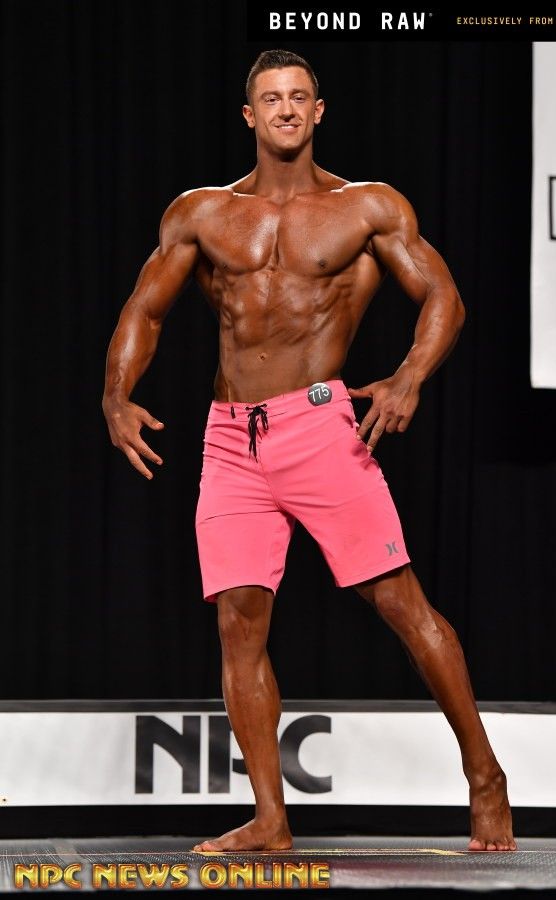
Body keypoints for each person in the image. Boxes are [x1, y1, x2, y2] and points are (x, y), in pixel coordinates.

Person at [102, 49, 517, 853]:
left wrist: (408, 377)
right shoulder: (202, 213)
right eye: (271, 99)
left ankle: (484, 774)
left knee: (399, 603)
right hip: (230, 439)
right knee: (238, 623)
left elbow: (444, 296)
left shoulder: (366, 208)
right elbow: (143, 310)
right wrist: (115, 394)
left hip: (320, 430)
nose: (286, 109)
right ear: (249, 115)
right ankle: (271, 817)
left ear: (318, 111)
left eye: (299, 97)